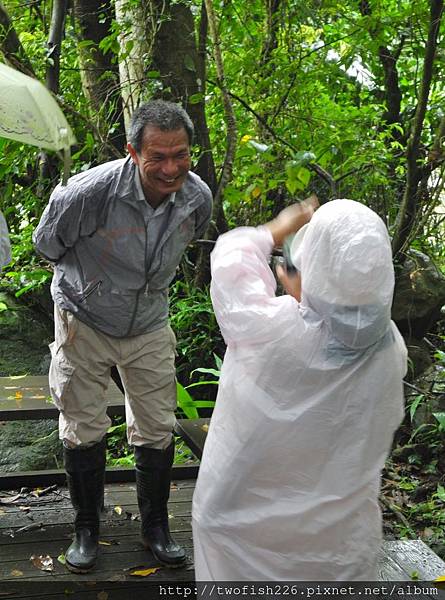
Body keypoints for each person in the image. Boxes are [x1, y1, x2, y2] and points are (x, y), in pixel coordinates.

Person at [33, 100, 212, 573]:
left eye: (180, 154)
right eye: (158, 156)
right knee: (83, 425)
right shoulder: (88, 193)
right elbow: (46, 244)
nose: (170, 168)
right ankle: (86, 527)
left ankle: (155, 527)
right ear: (133, 151)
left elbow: (189, 243)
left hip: (149, 321)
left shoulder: (197, 198)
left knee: (156, 424)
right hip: (83, 318)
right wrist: (90, 282)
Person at [192, 198, 407, 581]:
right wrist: (307, 288)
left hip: (240, 528)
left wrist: (277, 228)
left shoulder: (270, 334)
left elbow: (230, 265)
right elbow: (344, 320)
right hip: (338, 544)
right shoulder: (391, 348)